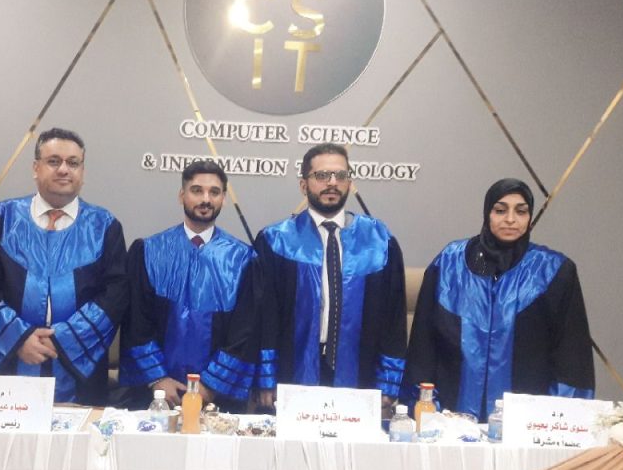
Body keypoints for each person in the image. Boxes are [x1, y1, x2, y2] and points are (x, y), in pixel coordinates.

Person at [404, 178, 594, 421]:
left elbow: (571, 356)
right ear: (487, 213)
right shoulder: (450, 264)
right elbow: (423, 345)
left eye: (521, 211)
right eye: (500, 210)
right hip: (450, 416)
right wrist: (422, 407)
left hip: (526, 419)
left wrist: (560, 417)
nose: (510, 219)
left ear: (530, 217)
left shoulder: (553, 271)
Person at [0, 128, 127, 405]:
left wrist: (63, 340)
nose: (64, 169)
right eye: (53, 161)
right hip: (12, 365)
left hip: (81, 371)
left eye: (73, 163)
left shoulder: (104, 226)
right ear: (36, 168)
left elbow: (115, 294)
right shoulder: (1, 219)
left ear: (82, 172)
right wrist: (20, 339)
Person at [252, 143, 407, 411]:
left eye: (340, 175)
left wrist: (389, 382)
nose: (332, 183)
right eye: (322, 175)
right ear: (304, 185)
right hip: (292, 370)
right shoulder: (276, 241)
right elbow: (264, 318)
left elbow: (393, 320)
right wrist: (266, 377)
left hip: (361, 373)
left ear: (350, 183)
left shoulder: (379, 241)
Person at [119, 160, 257, 411]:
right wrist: (158, 379)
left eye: (214, 192)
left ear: (223, 199)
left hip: (218, 398)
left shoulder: (242, 259)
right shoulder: (149, 251)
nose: (206, 199)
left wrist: (210, 386)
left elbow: (243, 332)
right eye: (196, 190)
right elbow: (136, 322)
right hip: (156, 395)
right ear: (181, 195)